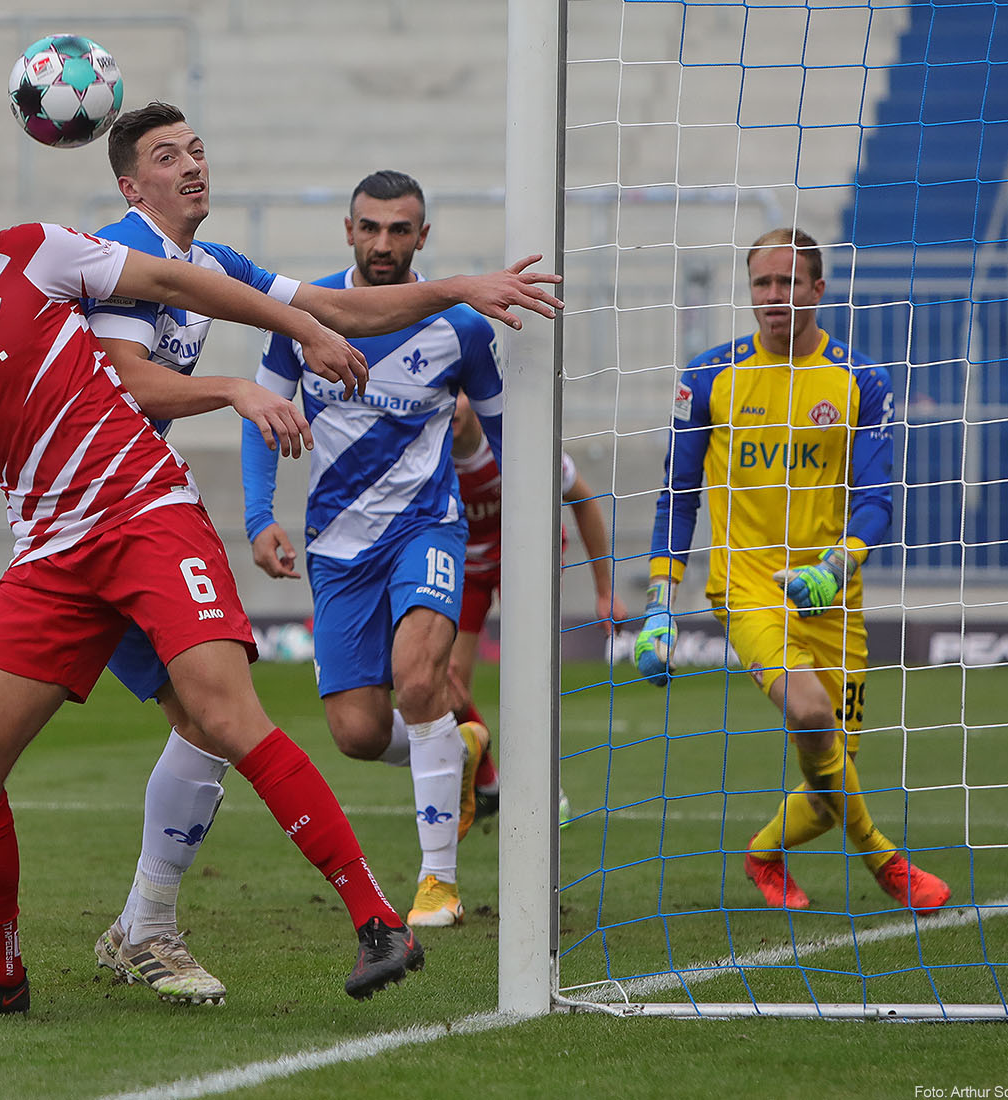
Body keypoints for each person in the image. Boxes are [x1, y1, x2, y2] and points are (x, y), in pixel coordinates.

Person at [0, 162, 547, 1019]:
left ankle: (377, 921)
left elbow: (179, 284)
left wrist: (296, 336)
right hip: (51, 555)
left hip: (145, 515)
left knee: (225, 719)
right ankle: (4, 973)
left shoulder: (32, 251)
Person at [84, 105, 563, 1005]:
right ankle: (14, 934)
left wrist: (461, 288)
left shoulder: (219, 265)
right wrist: (251, 470)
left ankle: (421, 883)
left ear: (420, 233)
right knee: (343, 731)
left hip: (408, 525)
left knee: (258, 707)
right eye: (166, 156)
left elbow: (337, 311)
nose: (193, 165)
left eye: (197, 148)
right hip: (102, 528)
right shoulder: (113, 259)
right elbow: (134, 381)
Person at [634, 227, 951, 915]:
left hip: (833, 598)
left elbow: (874, 500)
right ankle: (887, 863)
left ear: (817, 289)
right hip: (746, 589)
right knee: (809, 714)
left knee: (832, 775)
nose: (774, 296)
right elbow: (677, 496)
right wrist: (661, 602)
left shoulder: (861, 380)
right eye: (762, 284)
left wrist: (836, 569)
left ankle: (764, 853)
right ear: (749, 290)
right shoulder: (709, 376)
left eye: (788, 283)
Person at [446, 392, 630, 827]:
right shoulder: (424, 445)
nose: (451, 404)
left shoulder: (517, 438)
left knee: (527, 677)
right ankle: (488, 784)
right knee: (444, 685)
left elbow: (584, 501)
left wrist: (604, 591)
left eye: (460, 392)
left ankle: (548, 790)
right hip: (462, 564)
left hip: (522, 556)